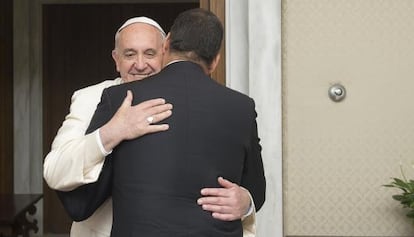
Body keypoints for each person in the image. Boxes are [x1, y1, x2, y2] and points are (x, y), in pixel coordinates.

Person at [43, 16, 257, 237]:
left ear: (165, 51)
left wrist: (245, 201)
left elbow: (245, 180)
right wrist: (110, 133)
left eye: (149, 53)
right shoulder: (90, 98)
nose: (140, 64)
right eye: (129, 54)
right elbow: (54, 171)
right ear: (116, 59)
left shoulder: (207, 103)